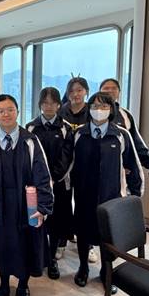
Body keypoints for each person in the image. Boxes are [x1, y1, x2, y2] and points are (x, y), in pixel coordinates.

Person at [0, 94, 53, 296]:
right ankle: (3, 285)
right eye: (1, 110)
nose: (6, 114)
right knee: (1, 247)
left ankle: (22, 286)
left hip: (25, 206)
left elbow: (43, 176)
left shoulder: (30, 141)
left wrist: (43, 208)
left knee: (24, 247)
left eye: (10, 109)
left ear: (18, 112)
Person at [71, 92, 143, 293]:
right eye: (94, 106)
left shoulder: (121, 135)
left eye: (103, 106)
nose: (98, 110)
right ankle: (83, 268)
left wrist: (135, 196)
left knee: (107, 237)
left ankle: (106, 271)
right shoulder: (79, 134)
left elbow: (133, 165)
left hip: (111, 197)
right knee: (83, 233)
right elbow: (69, 163)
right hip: (84, 195)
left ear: (111, 109)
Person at [25, 87, 73, 280]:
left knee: (55, 223)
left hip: (59, 184)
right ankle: (36, 257)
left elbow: (67, 157)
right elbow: (28, 157)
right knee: (35, 221)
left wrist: (52, 179)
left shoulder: (66, 128)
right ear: (40, 105)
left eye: (53, 103)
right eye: (45, 103)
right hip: (35, 186)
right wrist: (39, 181)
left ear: (59, 105)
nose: (49, 106)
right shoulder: (30, 127)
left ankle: (52, 259)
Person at [57, 76, 96, 262]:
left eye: (79, 90)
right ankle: (61, 241)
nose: (76, 94)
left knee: (84, 207)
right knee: (63, 206)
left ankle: (88, 244)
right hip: (64, 168)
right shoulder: (61, 111)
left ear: (86, 91)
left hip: (85, 167)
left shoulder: (92, 112)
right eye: (72, 90)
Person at [99, 78, 149, 175]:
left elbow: (136, 142)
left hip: (121, 169)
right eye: (106, 88)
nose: (110, 91)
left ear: (119, 92)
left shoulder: (126, 115)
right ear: (99, 92)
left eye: (114, 88)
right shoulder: (92, 113)